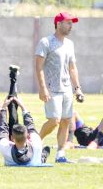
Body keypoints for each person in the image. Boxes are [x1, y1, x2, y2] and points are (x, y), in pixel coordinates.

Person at [36, 12, 84, 163]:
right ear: (58, 23)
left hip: (67, 89)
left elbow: (72, 68)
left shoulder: (70, 44)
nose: (71, 26)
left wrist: (77, 88)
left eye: (72, 23)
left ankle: (60, 154)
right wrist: (43, 88)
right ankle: (34, 142)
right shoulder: (46, 42)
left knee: (65, 121)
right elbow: (39, 67)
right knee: (54, 120)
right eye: (68, 23)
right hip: (51, 89)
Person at [0, 95, 49, 166]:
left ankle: (42, 157)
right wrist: (23, 106)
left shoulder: (4, 147)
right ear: (28, 136)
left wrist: (4, 107)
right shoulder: (37, 144)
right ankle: (42, 157)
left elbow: (2, 129)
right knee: (39, 153)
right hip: (35, 158)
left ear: (12, 138)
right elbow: (30, 126)